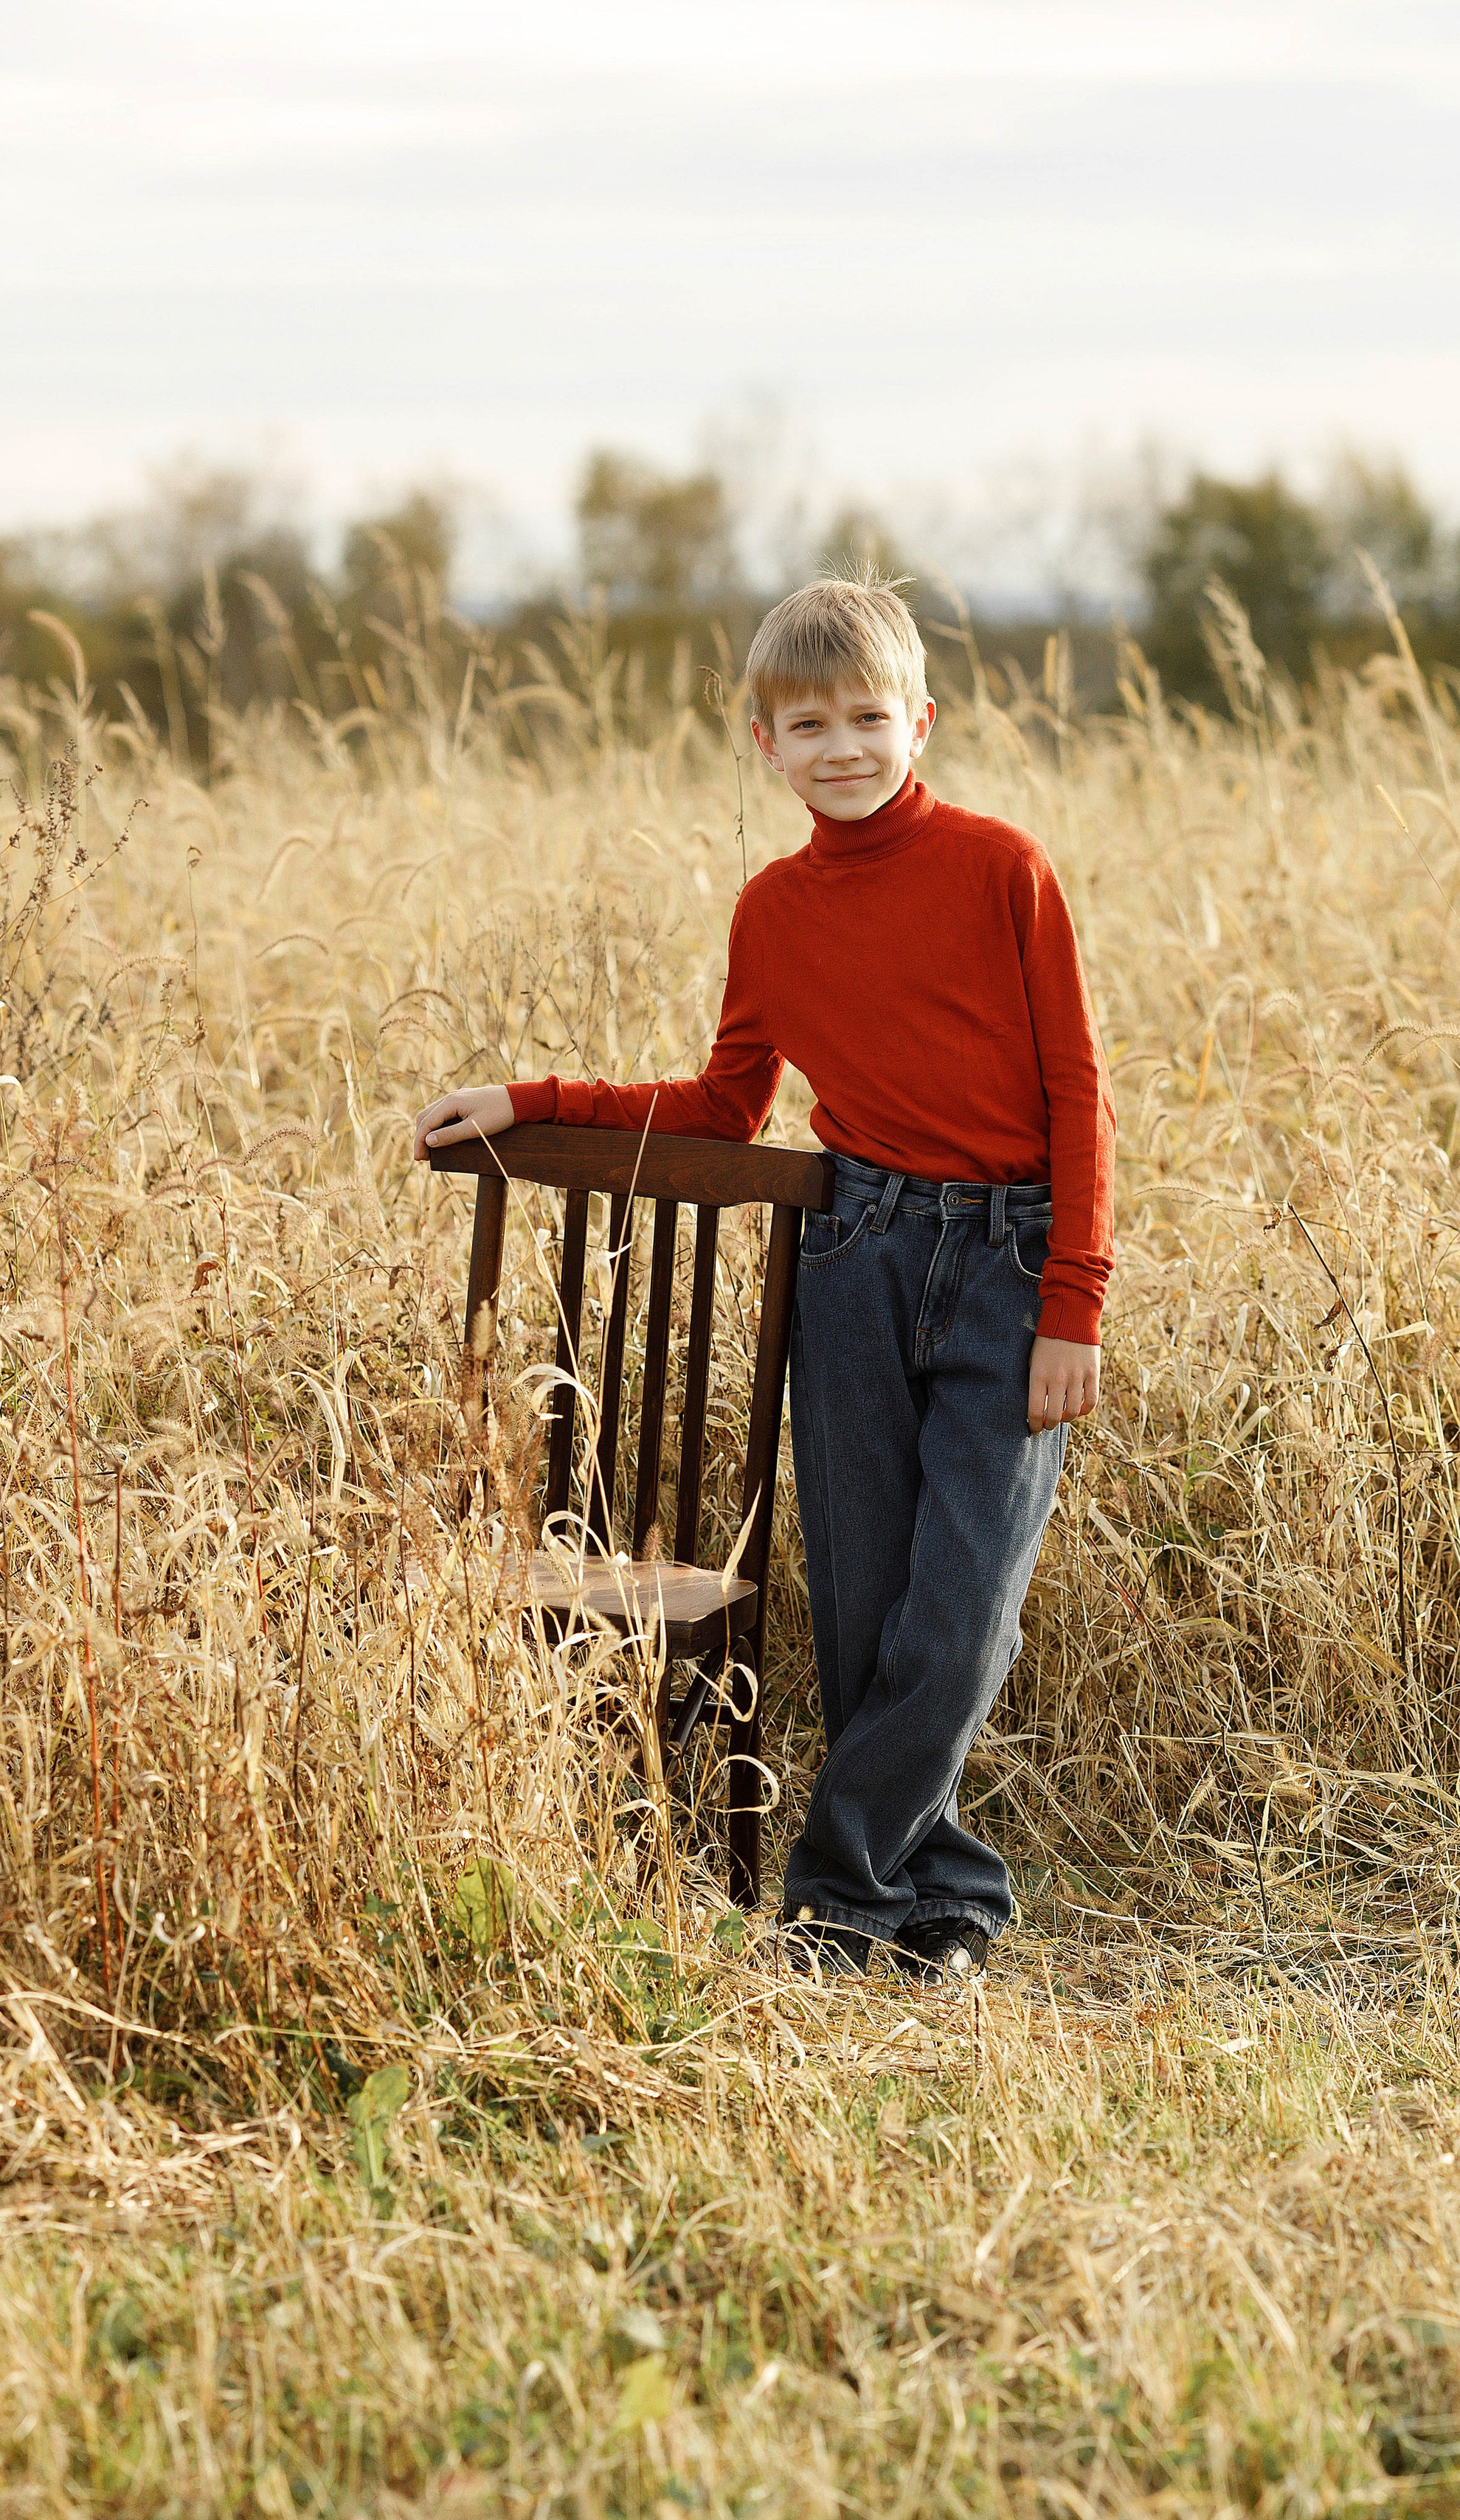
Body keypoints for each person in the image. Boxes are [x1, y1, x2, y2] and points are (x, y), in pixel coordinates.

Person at [414, 576, 1115, 1984]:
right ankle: (943, 1896)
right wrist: (530, 1096)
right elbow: (726, 1104)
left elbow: (1079, 1088)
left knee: (966, 1598)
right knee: (860, 1596)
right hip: (852, 1252)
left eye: (869, 716)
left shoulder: (1002, 868)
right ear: (765, 744)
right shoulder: (775, 910)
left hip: (1005, 1261)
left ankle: (835, 1891)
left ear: (921, 721)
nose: (844, 746)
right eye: (811, 724)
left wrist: (1073, 1299)